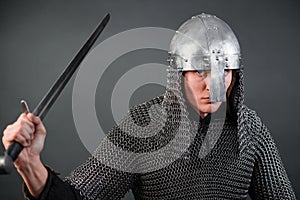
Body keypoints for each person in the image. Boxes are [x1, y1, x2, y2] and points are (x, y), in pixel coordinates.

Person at [2, 13, 296, 199]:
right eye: (200, 72)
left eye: (224, 72)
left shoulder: (250, 129)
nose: (213, 86)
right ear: (177, 75)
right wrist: (30, 166)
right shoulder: (143, 127)